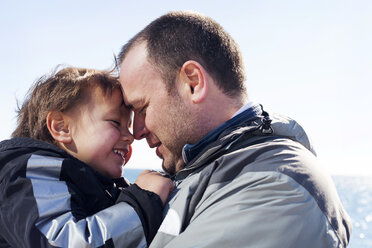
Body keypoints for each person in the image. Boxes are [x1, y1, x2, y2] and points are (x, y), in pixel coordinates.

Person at [117, 11, 352, 248]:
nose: (137, 131)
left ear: (193, 83)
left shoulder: (274, 189)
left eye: (143, 108)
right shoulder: (206, 170)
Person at [0, 67, 174, 247]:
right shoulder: (27, 174)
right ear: (62, 128)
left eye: (128, 127)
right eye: (115, 123)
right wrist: (144, 201)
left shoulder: (97, 184)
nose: (130, 137)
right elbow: (62, 243)